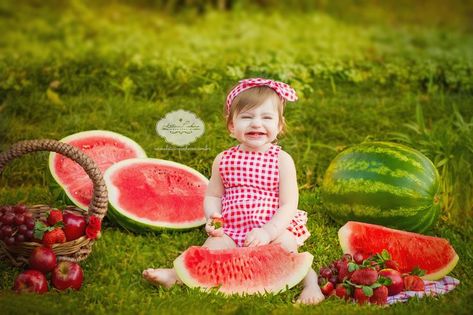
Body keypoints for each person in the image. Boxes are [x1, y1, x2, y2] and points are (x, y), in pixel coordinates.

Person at [143, 78, 324, 304]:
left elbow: (289, 204)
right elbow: (213, 195)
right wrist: (214, 221)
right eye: (247, 117)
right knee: (209, 251)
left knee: (288, 251)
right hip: (231, 227)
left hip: (271, 224)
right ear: (231, 126)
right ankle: (175, 275)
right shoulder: (223, 159)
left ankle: (311, 286)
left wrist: (268, 232)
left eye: (266, 117)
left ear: (279, 126)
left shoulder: (282, 160)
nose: (256, 124)